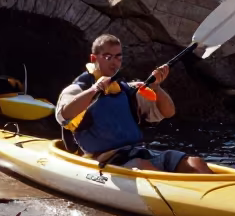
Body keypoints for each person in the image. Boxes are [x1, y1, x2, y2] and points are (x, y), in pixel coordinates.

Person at [56, 34, 214, 173]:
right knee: (142, 164)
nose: (114, 62)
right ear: (94, 58)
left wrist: (156, 87)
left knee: (195, 163)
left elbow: (168, 112)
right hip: (103, 160)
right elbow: (64, 115)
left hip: (134, 153)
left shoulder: (127, 90)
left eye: (118, 56)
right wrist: (95, 89)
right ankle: (178, 198)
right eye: (107, 56)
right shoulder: (77, 89)